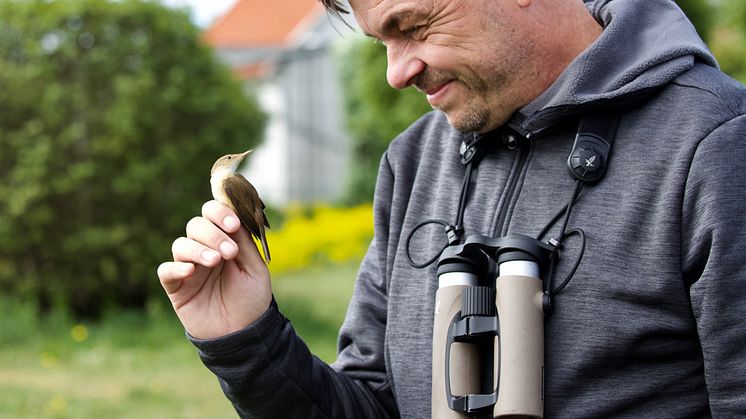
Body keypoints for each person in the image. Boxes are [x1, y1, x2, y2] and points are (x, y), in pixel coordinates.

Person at [157, 0, 746, 416]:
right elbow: (376, 406)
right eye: (381, 42)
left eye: (412, 27)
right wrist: (246, 341)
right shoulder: (411, 162)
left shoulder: (719, 144)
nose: (395, 73)